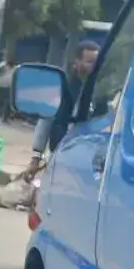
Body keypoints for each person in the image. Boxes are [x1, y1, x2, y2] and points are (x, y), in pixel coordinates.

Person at [26, 41, 98, 175]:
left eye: (96, 62)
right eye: (89, 61)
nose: (94, 66)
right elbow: (45, 120)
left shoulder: (102, 90)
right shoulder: (61, 88)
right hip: (60, 153)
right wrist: (36, 158)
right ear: (77, 62)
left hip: (88, 159)